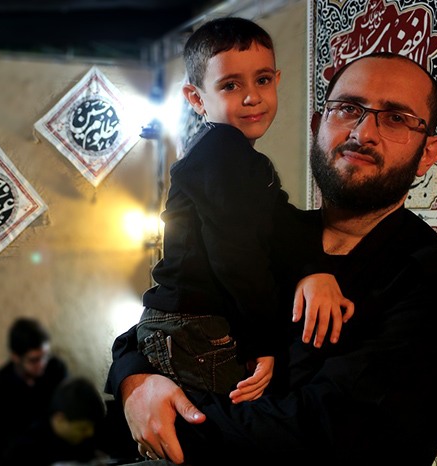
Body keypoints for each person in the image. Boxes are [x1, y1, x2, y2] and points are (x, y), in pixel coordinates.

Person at [106, 51, 437, 465]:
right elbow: (156, 319)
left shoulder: (429, 275)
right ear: (319, 126)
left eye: (395, 118)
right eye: (348, 109)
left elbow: (329, 431)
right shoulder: (269, 232)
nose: (363, 132)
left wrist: (171, 419)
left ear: (429, 153)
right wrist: (136, 386)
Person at [134, 16, 353, 409]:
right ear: (197, 98)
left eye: (263, 80)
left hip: (183, 323)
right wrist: (263, 342)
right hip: (196, 325)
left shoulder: (238, 158)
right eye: (231, 85)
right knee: (233, 430)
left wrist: (314, 269)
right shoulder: (221, 153)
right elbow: (236, 254)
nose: (252, 97)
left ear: (278, 80)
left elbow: (279, 218)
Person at [0, 317, 69, 463]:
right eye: (34, 360)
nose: (42, 364)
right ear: (15, 357)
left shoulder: (56, 369)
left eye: (45, 356)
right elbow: (0, 438)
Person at [1, 376, 108, 466]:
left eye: (92, 427)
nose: (90, 433)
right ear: (59, 419)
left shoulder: (84, 440)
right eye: (82, 429)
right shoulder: (25, 450)